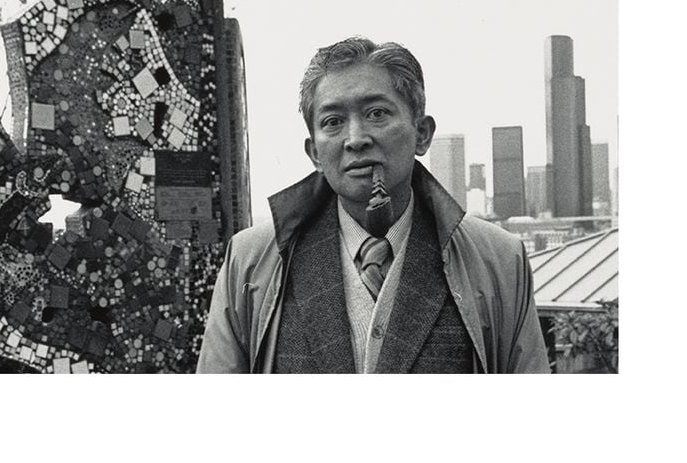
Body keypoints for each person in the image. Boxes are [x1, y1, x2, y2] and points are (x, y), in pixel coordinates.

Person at [196, 36, 549, 373]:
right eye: (333, 122)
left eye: (377, 114)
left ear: (422, 133)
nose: (356, 139)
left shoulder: (498, 260)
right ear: (314, 153)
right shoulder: (252, 261)